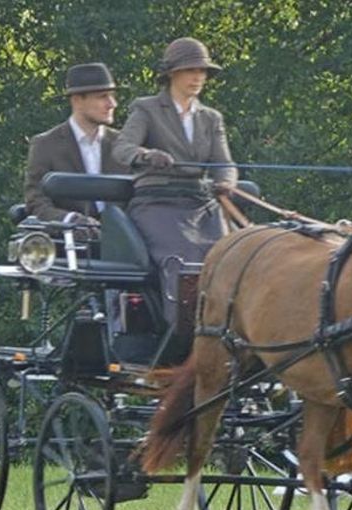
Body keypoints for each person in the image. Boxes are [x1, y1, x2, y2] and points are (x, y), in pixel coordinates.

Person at [113, 37, 237, 326]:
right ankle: (185, 329)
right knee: (183, 260)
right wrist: (146, 155)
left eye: (202, 71)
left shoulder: (211, 118)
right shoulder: (147, 109)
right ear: (171, 73)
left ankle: (228, 328)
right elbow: (122, 148)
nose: (198, 77)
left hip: (201, 204)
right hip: (157, 203)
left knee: (230, 255)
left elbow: (224, 163)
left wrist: (226, 182)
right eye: (191, 70)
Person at [24, 62, 126, 225]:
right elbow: (36, 201)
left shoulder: (124, 144)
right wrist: (70, 220)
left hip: (122, 236)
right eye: (102, 96)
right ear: (77, 100)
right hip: (67, 237)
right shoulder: (45, 145)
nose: (112, 104)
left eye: (112, 96)